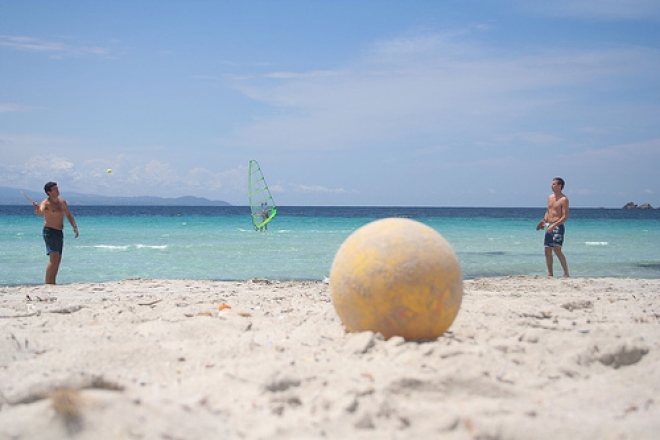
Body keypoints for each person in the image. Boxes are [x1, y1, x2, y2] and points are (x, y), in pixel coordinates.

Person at [32, 182, 79, 284]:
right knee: (54, 257)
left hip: (59, 232)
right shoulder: (46, 203)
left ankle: (52, 282)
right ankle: (48, 283)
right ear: (49, 192)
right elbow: (40, 213)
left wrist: (74, 227)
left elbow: (68, 215)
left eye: (57, 188)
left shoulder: (62, 202)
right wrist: (37, 208)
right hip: (49, 231)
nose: (57, 190)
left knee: (58, 259)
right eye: (54, 189)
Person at [536, 177, 569, 277]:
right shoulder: (550, 197)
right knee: (547, 250)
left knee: (557, 250)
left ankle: (566, 273)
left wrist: (554, 225)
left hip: (557, 226)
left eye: (554, 184)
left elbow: (565, 216)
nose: (552, 185)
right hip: (549, 225)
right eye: (552, 184)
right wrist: (543, 221)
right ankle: (550, 273)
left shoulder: (564, 199)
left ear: (560, 186)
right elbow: (549, 211)